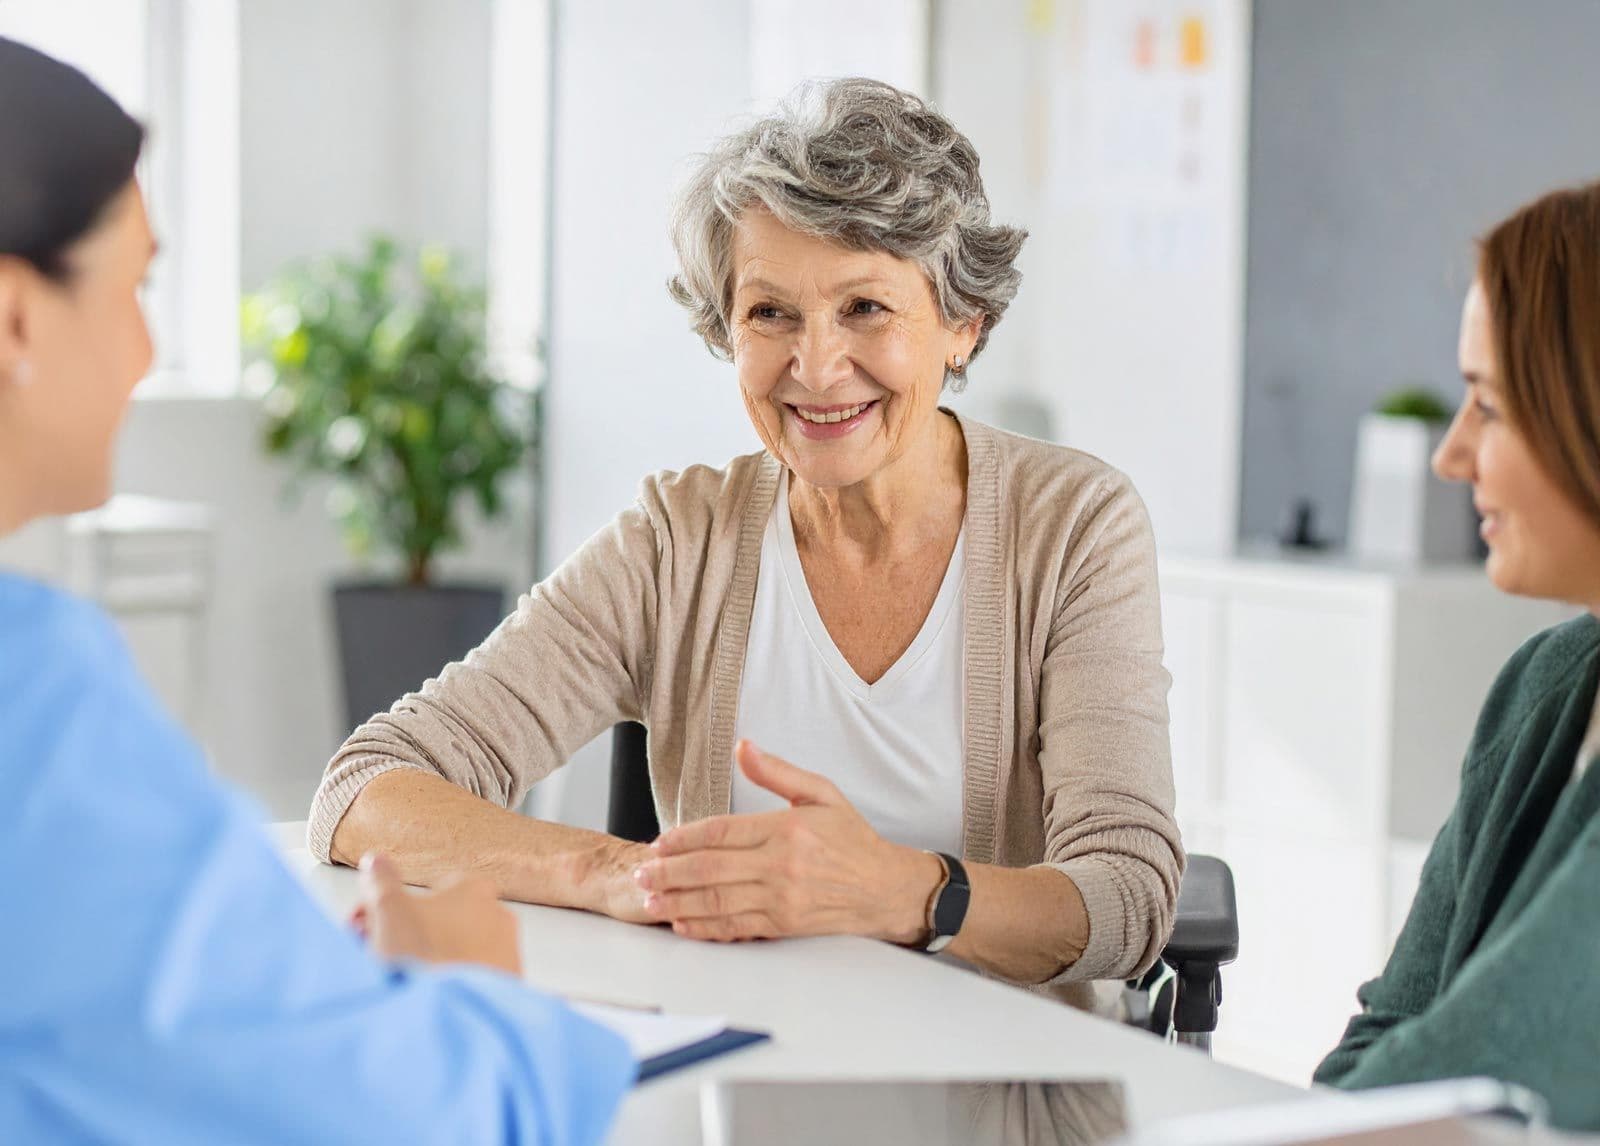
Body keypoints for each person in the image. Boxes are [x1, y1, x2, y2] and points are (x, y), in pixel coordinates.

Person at [311, 78, 1182, 1010]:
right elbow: (367, 787)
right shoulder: (678, 541)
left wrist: (903, 892)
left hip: (1004, 1087)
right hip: (731, 1068)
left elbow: (1128, 897)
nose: (815, 368)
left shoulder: (1075, 525)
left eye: (866, 309)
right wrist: (621, 874)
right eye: (770, 313)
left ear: (964, 324)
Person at [0, 37, 632, 1144]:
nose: (146, 350)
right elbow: (427, 1118)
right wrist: (473, 990)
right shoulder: (35, 708)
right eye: (136, 288)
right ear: (14, 319)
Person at [1314, 181, 1600, 1131]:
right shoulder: (1543, 686)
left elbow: (1500, 1055)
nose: (1450, 454)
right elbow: (1390, 1028)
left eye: (1488, 405)